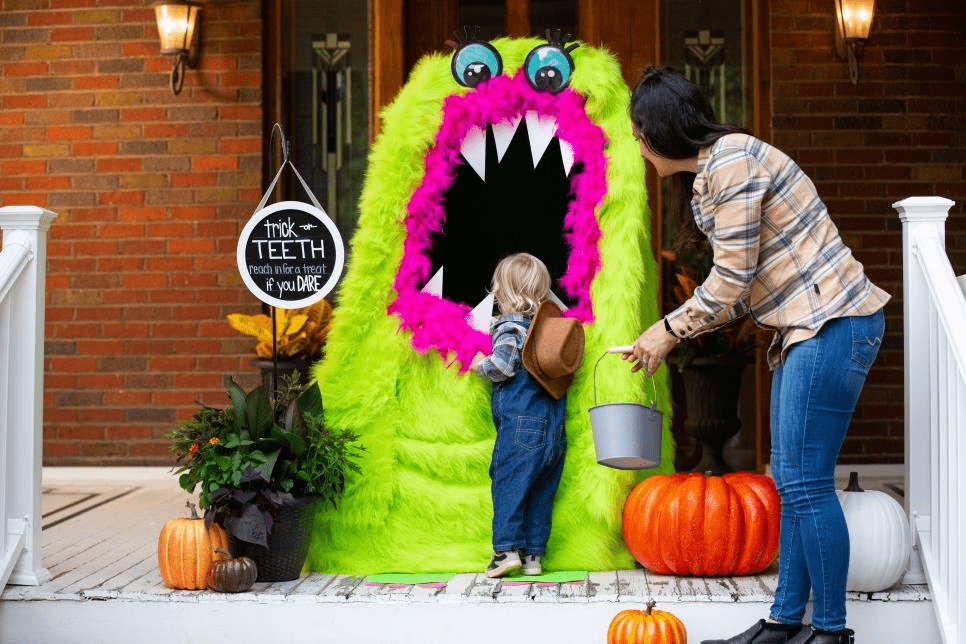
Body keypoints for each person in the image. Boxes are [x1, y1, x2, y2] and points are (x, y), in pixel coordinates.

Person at [623, 66, 889, 644]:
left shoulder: (735, 161)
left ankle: (833, 632)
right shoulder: (713, 174)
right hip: (807, 330)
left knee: (805, 485)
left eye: (638, 134)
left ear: (658, 133)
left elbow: (732, 282)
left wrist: (665, 332)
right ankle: (783, 622)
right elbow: (740, 283)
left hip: (832, 324)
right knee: (792, 481)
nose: (637, 147)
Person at [470, 253, 570, 578]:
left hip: (522, 426)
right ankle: (533, 557)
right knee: (541, 492)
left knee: (509, 483)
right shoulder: (551, 332)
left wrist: (478, 364)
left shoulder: (510, 324)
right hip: (554, 429)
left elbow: (504, 365)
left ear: (504, 291)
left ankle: (505, 551)